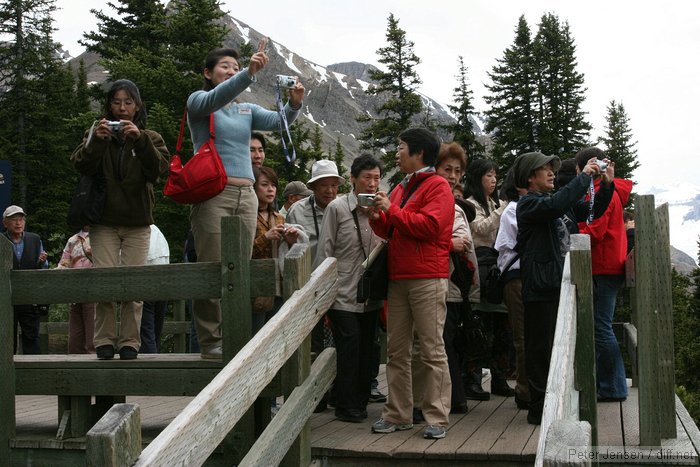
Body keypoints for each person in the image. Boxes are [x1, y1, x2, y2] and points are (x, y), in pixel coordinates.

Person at [187, 42, 305, 360]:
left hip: (246, 195)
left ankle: (236, 335)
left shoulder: (244, 109)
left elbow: (278, 122)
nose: (230, 70)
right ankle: (211, 340)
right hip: (214, 195)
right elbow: (217, 98)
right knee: (212, 266)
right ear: (208, 73)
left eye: (234, 66)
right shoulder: (200, 101)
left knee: (239, 267)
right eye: (224, 66)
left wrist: (294, 105)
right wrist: (249, 75)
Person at [71, 79, 169, 360]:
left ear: (137, 106)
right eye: (116, 102)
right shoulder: (98, 133)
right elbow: (80, 165)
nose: (122, 108)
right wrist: (97, 142)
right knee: (105, 281)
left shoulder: (151, 136)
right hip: (103, 221)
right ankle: (103, 341)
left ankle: (129, 342)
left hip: (138, 221)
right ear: (109, 106)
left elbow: (157, 170)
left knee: (133, 284)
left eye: (128, 102)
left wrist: (139, 139)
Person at [513, 151, 614, 425]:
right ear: (530, 177)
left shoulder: (553, 201)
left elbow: (592, 210)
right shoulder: (528, 205)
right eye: (544, 169)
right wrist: (583, 177)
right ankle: (538, 408)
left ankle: (555, 403)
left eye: (552, 168)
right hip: (541, 286)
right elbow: (558, 204)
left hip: (560, 284)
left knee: (561, 346)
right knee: (540, 349)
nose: (551, 173)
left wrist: (605, 184)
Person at [369, 128, 454, 440]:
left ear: (419, 153)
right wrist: (377, 216)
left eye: (401, 147)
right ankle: (398, 414)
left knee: (431, 349)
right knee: (396, 350)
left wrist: (392, 211)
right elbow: (391, 230)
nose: (397, 152)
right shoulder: (401, 188)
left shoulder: (438, 186)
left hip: (427, 278)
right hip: (399, 277)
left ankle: (437, 417)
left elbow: (430, 227)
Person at [313, 154, 385, 423]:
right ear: (353, 179)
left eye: (376, 178)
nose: (372, 183)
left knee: (368, 347)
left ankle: (361, 400)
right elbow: (324, 251)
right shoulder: (338, 208)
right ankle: (345, 404)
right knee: (350, 345)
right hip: (342, 292)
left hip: (371, 295)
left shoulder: (382, 208)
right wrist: (321, 294)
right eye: (367, 177)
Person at [575, 147, 633, 403]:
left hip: (603, 266)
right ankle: (609, 384)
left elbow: (595, 231)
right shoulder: (608, 191)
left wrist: (573, 231)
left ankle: (613, 387)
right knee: (602, 326)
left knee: (601, 327)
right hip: (608, 265)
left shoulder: (603, 193)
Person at [463, 158, 513, 400]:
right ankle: (472, 379)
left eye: (495, 175)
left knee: (502, 324)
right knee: (479, 324)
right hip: (478, 265)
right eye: (488, 175)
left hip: (498, 265)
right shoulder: (469, 203)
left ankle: (500, 378)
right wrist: (502, 210)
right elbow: (480, 229)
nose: (493, 180)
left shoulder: (498, 202)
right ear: (477, 178)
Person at [286, 159, 344, 358]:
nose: (330, 190)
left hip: (339, 286)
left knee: (341, 340)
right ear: (312, 187)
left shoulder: (343, 208)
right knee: (314, 343)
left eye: (334, 185)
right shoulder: (298, 211)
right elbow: (290, 249)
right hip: (308, 286)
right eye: (324, 185)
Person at [251, 166, 304, 333]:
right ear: (253, 187)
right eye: (265, 184)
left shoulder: (279, 217)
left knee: (275, 334)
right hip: (254, 285)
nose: (270, 189)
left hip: (278, 285)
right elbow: (240, 252)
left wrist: (290, 241)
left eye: (273, 185)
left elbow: (285, 253)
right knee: (254, 335)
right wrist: (265, 238)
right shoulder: (247, 216)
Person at [493, 169, 530, 409]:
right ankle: (525, 391)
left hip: (527, 276)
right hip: (516, 276)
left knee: (528, 335)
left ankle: (529, 387)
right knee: (523, 336)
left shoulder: (520, 208)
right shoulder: (513, 210)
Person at [3, 205, 48, 355]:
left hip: (30, 297)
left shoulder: (35, 239)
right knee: (6, 339)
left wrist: (41, 262)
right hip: (5, 299)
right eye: (14, 220)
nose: (18, 223)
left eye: (21, 219)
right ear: (5, 223)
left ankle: (35, 373)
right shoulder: (1, 241)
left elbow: (42, 268)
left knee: (31, 337)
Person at [57, 225, 95, 354]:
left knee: (93, 339)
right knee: (75, 340)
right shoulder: (72, 240)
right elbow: (63, 264)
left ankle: (94, 369)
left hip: (95, 292)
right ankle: (75, 366)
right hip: (75, 293)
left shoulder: (103, 237)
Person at [140, 224, 170, 353]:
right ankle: (154, 356)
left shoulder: (138, 230)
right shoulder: (158, 231)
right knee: (156, 331)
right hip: (163, 284)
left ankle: (149, 361)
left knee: (146, 332)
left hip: (145, 284)